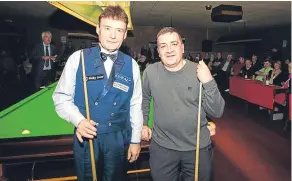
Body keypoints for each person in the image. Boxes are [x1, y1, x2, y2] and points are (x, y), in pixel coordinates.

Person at [52, 5, 143, 181]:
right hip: (87, 138)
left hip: (118, 139)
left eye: (119, 30)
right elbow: (61, 98)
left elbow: (135, 106)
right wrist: (78, 121)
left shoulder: (132, 65)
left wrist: (135, 140)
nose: (113, 35)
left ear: (125, 35)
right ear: (98, 29)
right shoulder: (78, 58)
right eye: (107, 28)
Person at [141, 27, 225, 181]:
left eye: (174, 44)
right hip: (162, 148)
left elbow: (217, 111)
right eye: (163, 46)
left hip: (197, 147)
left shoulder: (198, 71)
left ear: (182, 47)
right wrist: (144, 123)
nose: (169, 50)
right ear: (158, 51)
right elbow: (144, 99)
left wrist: (209, 81)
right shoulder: (150, 72)